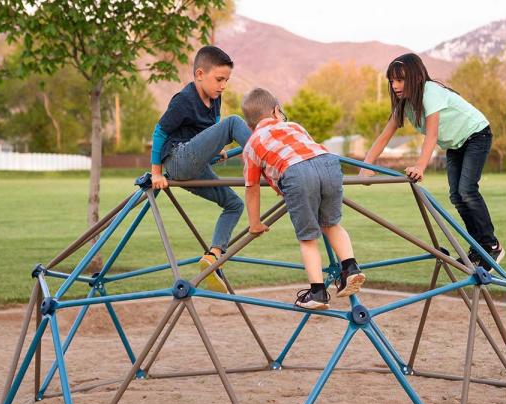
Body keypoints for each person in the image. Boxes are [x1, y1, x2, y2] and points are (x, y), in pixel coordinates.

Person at [360, 53, 504, 271]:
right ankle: (478, 247)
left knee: (467, 191)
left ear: (416, 78)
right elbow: (384, 135)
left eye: (400, 80)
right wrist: (365, 167)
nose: (395, 85)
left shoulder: (430, 92)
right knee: (456, 196)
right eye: (391, 81)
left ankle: (491, 245)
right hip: (456, 144)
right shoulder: (403, 105)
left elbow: (432, 134)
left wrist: (420, 166)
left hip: (477, 134)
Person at [241, 88, 365, 310]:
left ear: (250, 125)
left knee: (308, 237)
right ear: (277, 111)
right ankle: (350, 268)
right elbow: (308, 153)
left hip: (296, 173)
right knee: (331, 224)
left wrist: (255, 223)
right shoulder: (294, 126)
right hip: (328, 162)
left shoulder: (252, 144)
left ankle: (318, 292)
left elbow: (252, 188)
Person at [150, 45, 253, 292]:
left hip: (195, 164)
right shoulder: (184, 100)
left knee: (234, 204)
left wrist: (214, 148)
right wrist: (155, 173)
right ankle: (266, 154)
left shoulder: (215, 99)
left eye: (226, 80)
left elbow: (212, 127)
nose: (223, 86)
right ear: (199, 74)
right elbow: (160, 132)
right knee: (234, 122)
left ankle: (213, 256)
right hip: (178, 158)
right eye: (219, 79)